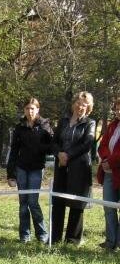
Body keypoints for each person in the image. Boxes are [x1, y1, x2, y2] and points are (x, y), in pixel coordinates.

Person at [6, 98, 53, 244]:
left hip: (36, 169)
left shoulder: (45, 125)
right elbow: (13, 151)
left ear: (38, 109)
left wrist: (44, 146)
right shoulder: (19, 127)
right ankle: (24, 235)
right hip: (21, 168)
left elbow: (52, 145)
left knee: (33, 202)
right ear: (24, 110)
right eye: (27, 108)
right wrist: (10, 174)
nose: (30, 111)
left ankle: (42, 234)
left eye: (33, 108)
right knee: (23, 203)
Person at [51, 91, 95, 245]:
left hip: (80, 167)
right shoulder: (63, 121)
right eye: (78, 102)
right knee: (58, 202)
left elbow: (87, 144)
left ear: (88, 108)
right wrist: (59, 154)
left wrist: (67, 155)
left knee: (77, 204)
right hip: (61, 165)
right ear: (73, 104)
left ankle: (72, 240)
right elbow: (54, 141)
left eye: (84, 104)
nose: (80, 106)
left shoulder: (90, 123)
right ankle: (54, 237)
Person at [97, 97, 120, 252]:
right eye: (117, 108)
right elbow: (103, 144)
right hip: (109, 174)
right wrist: (105, 159)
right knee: (108, 208)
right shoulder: (112, 125)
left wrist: (110, 161)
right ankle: (111, 241)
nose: (118, 111)